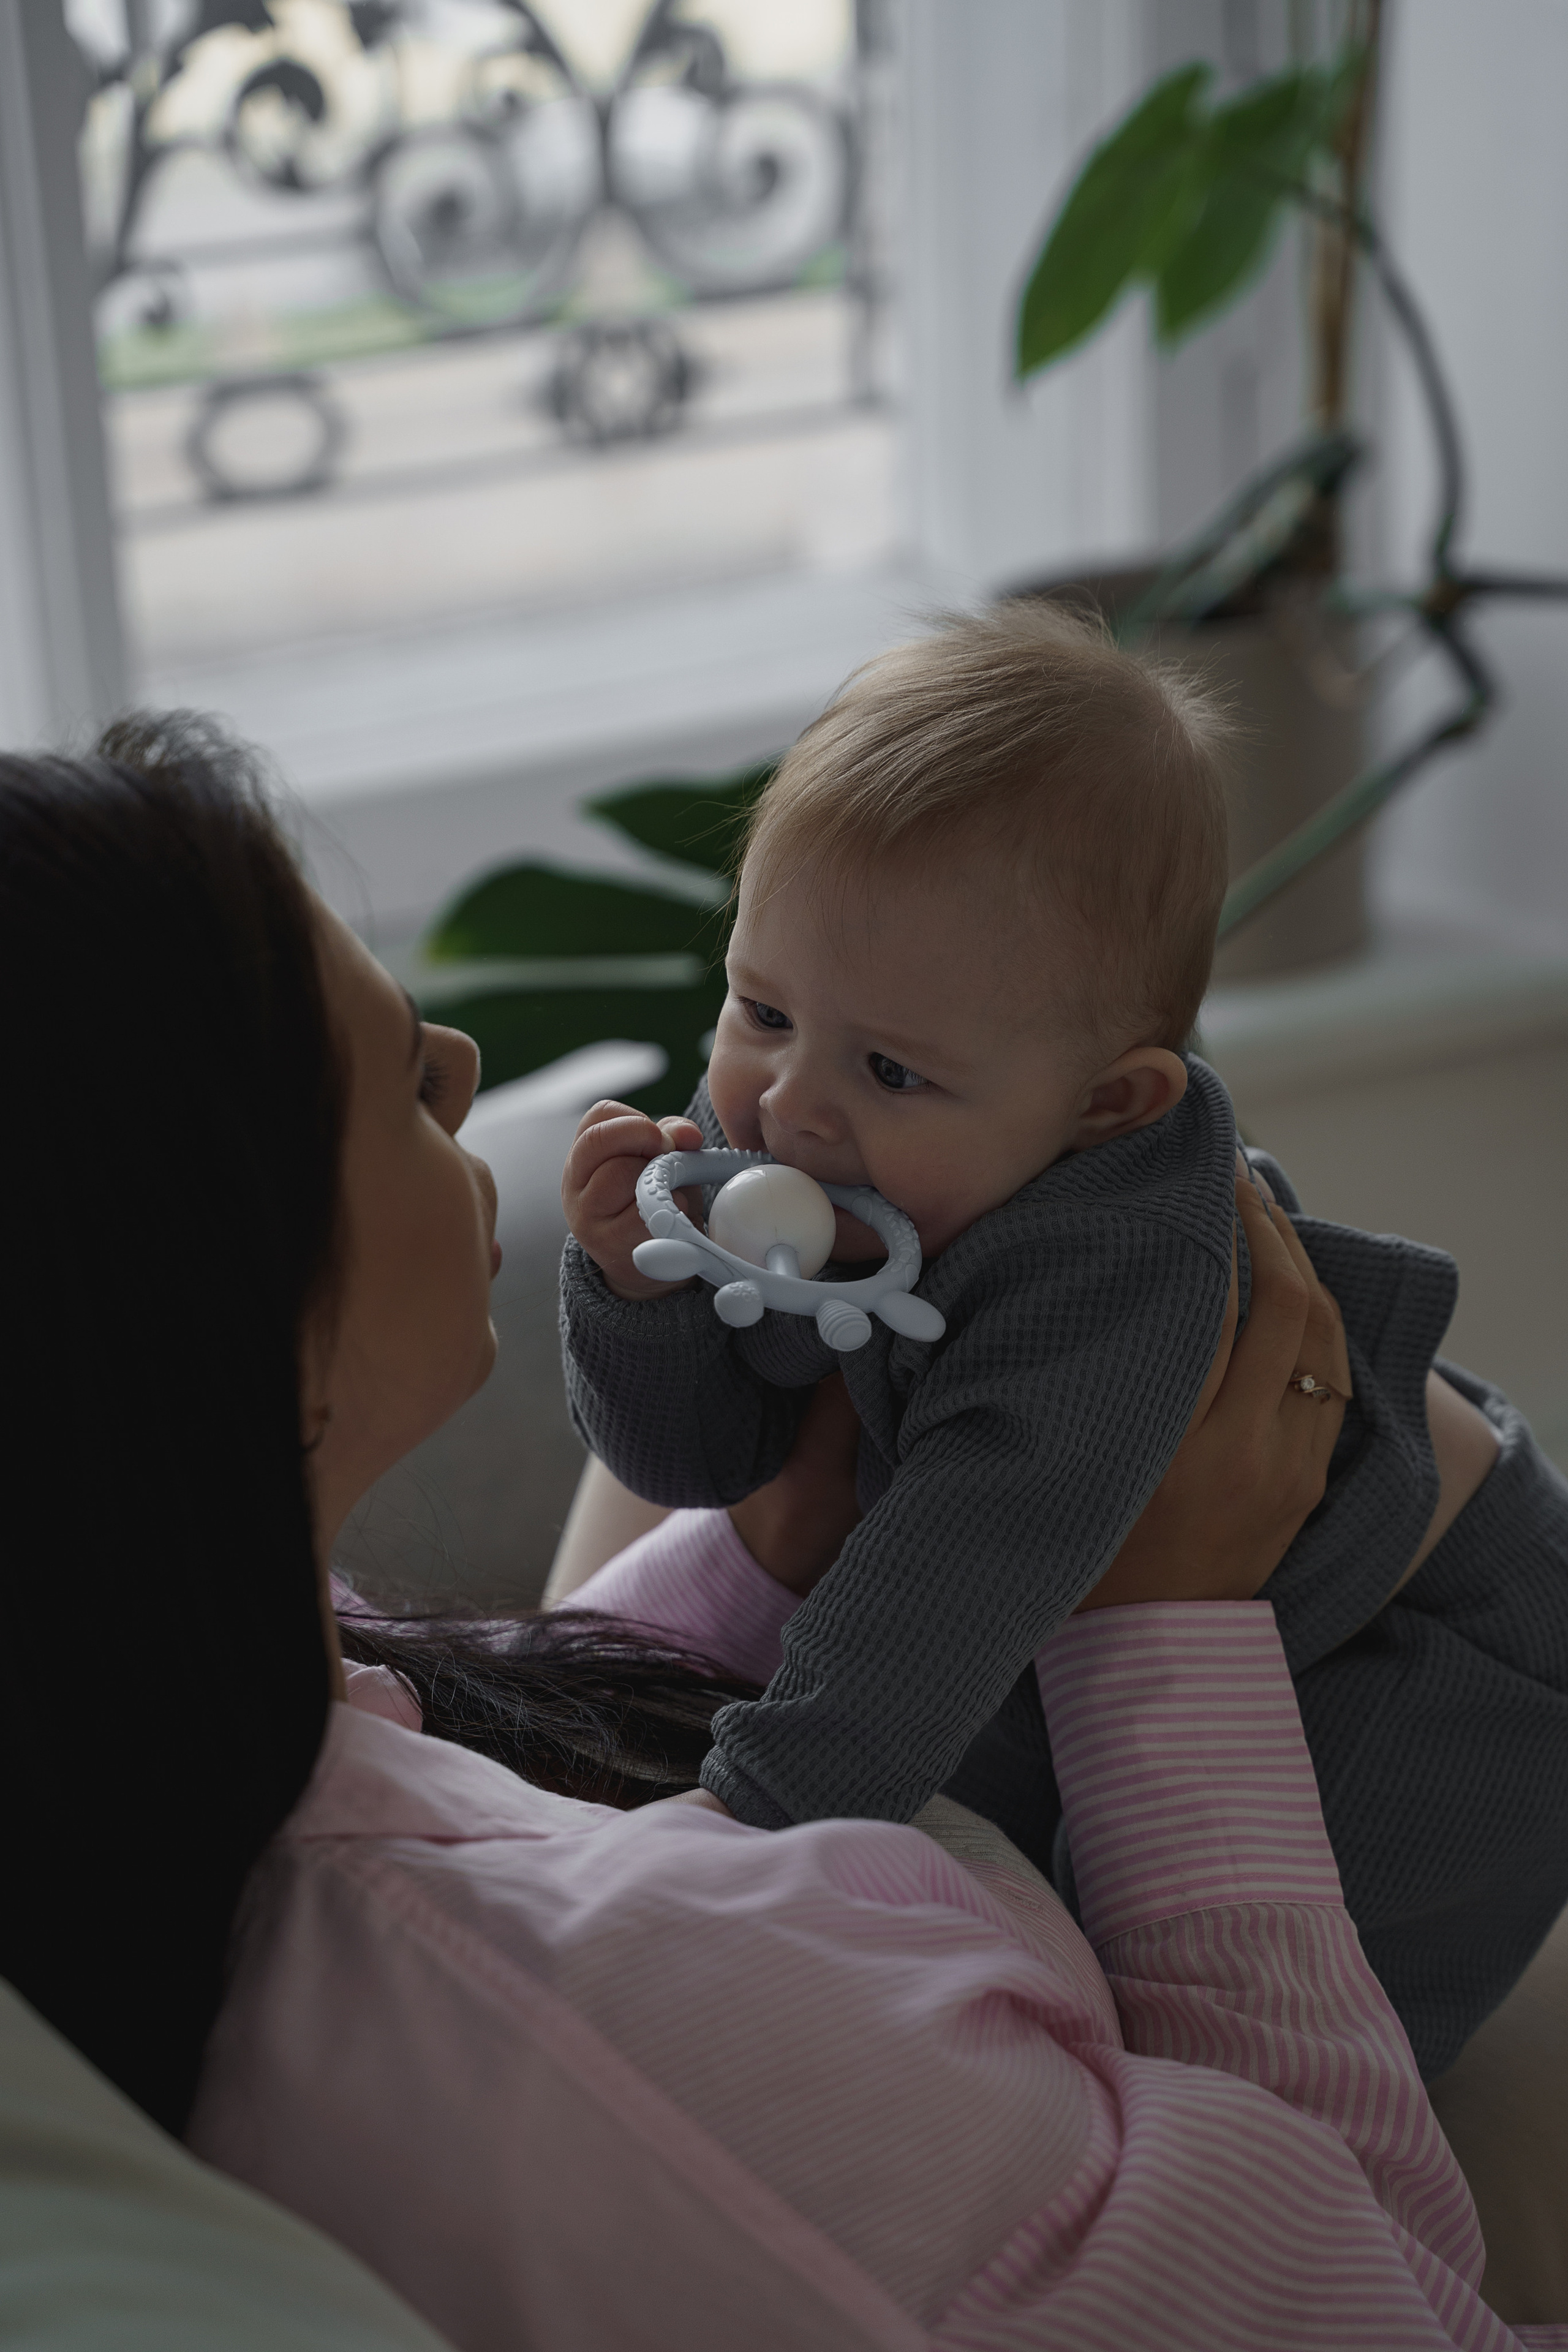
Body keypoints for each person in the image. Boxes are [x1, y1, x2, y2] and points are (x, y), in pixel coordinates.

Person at [6, 713, 1566, 2349]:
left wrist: (771, 1552)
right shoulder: (613, 2038)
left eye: (887, 1065)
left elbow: (573, 1724)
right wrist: (1163, 1627)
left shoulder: (164, 1682)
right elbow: (1386, 2310)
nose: (456, 1062)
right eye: (385, 1078)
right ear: (186, 1301)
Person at [557, 598, 1568, 2076]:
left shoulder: (1114, 1265)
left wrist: (745, 1822)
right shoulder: (805, 1133)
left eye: (890, 1067)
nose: (788, 1106)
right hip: (1143, 1594)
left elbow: (953, 1579)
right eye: (759, 1006)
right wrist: (634, 1294)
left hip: (1442, 1649)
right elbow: (699, 1459)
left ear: (1108, 1107)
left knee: (1268, 2052)